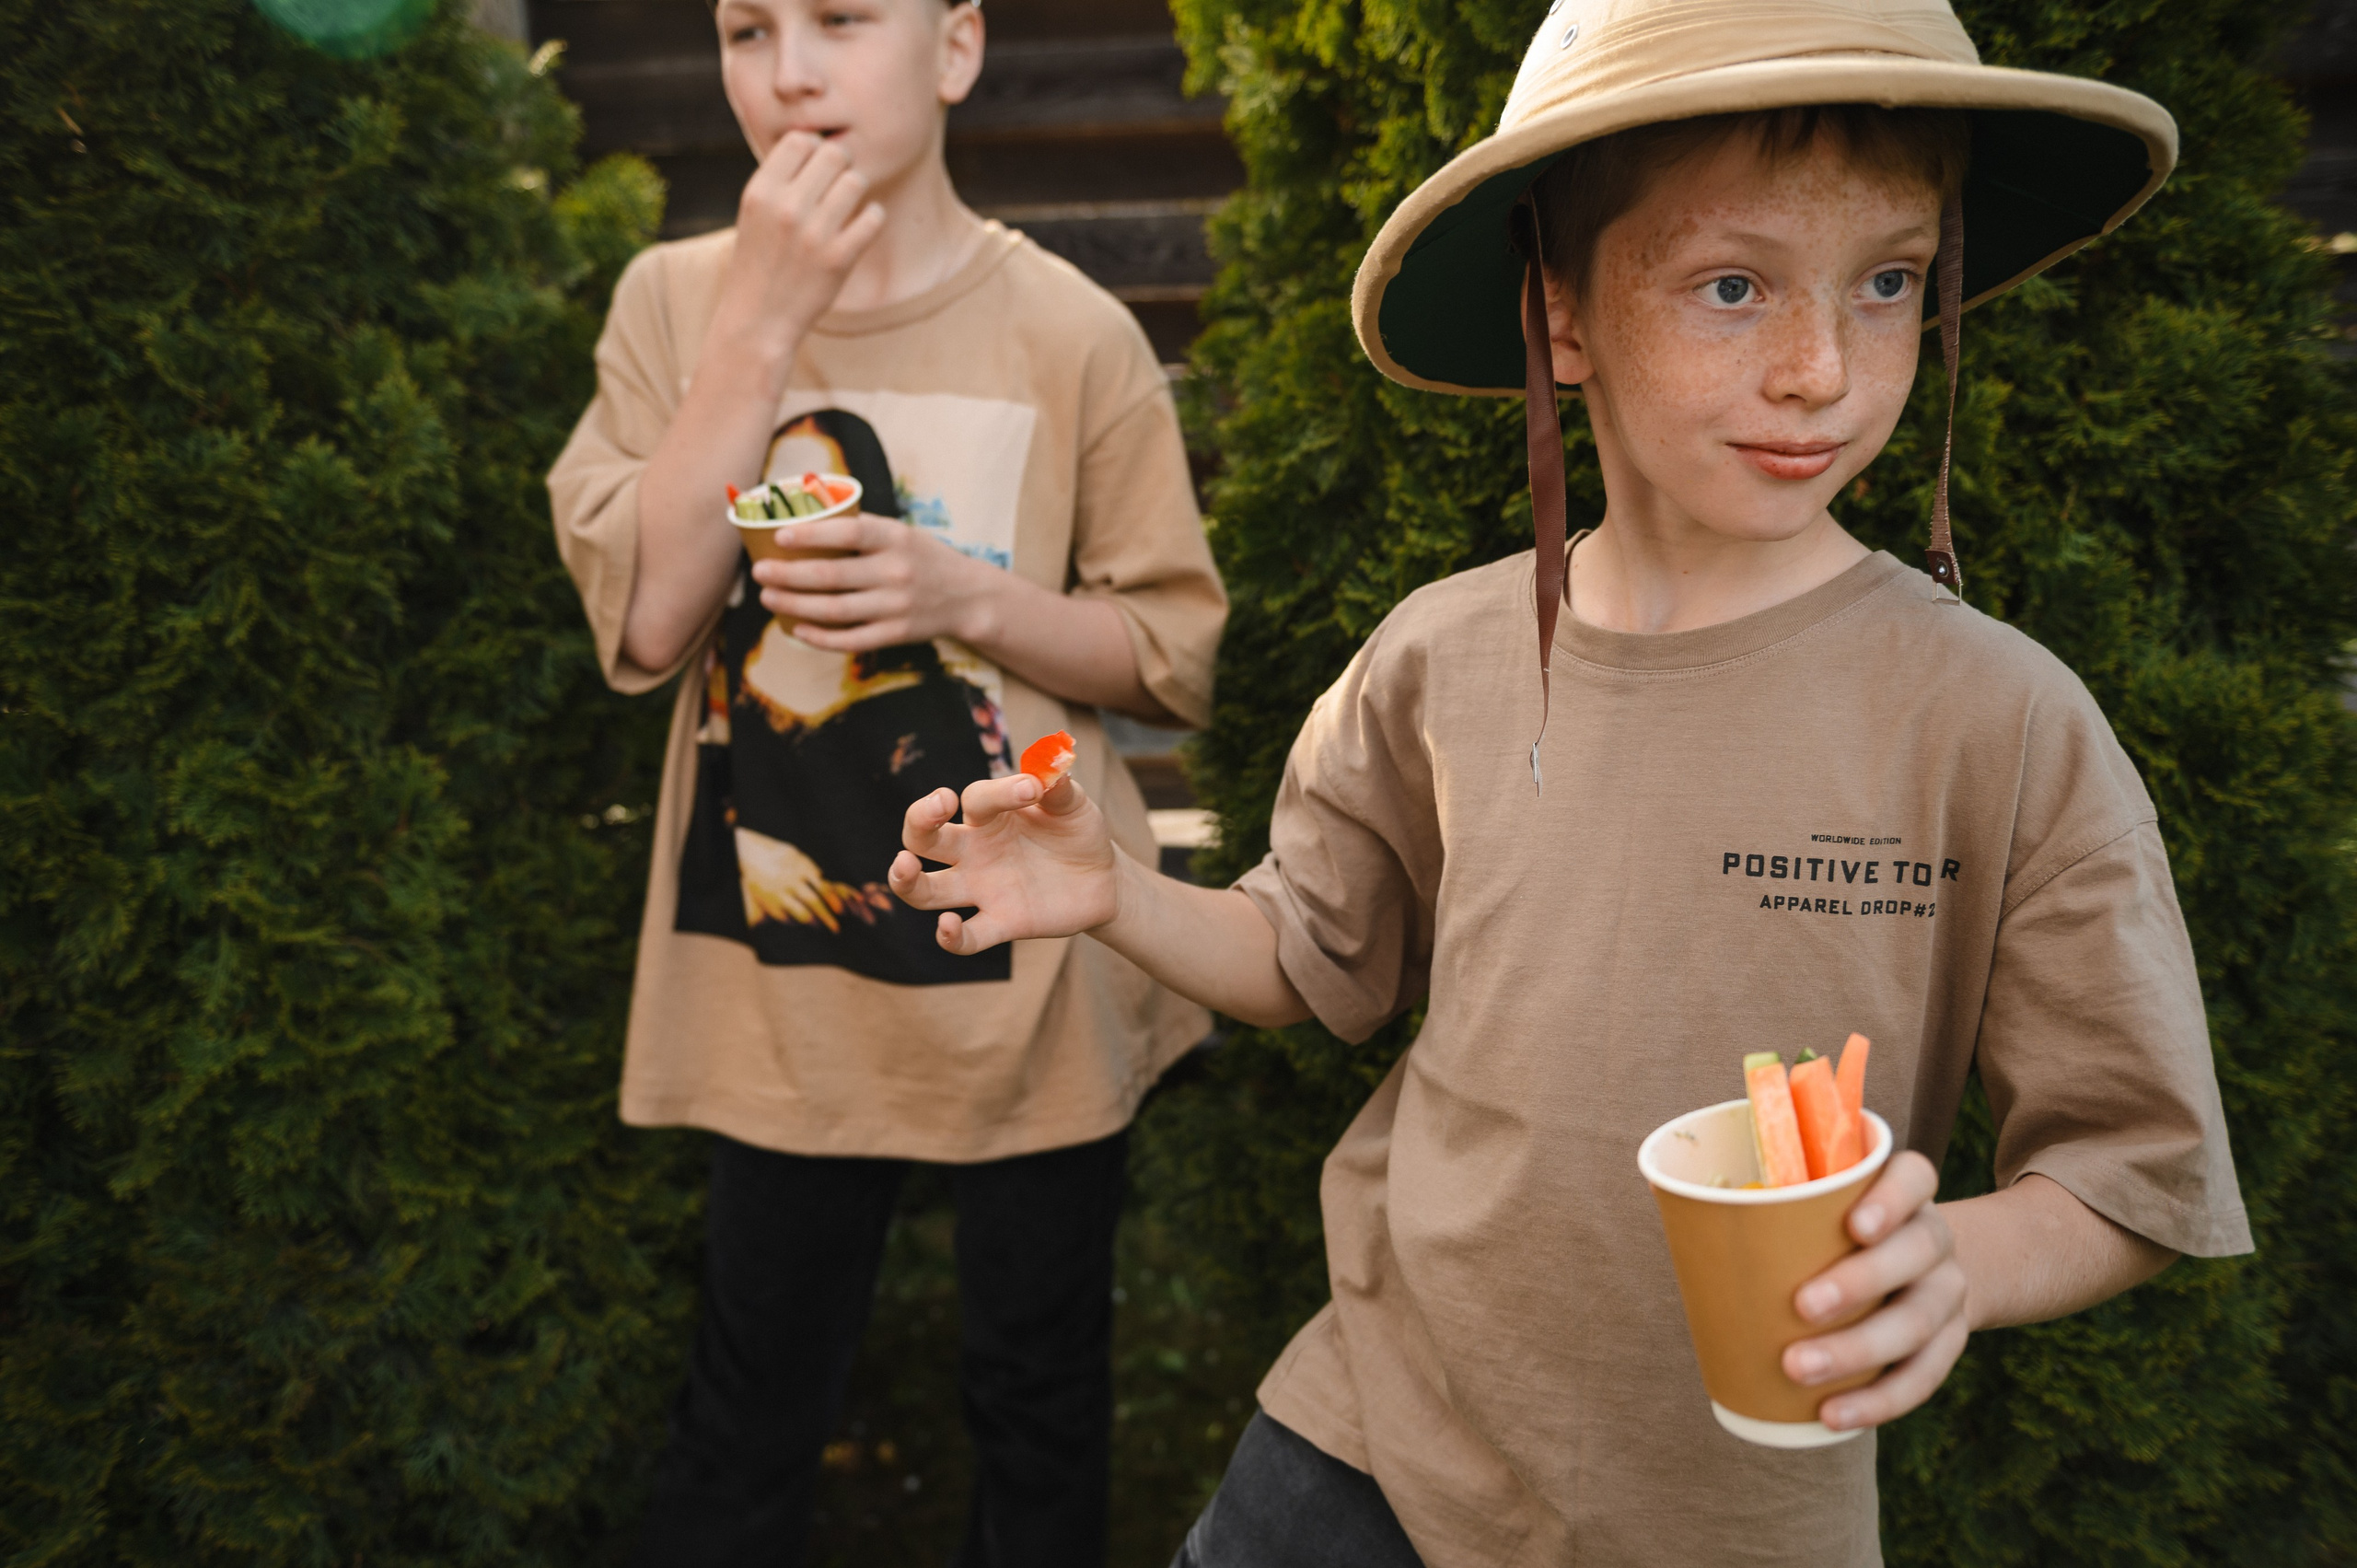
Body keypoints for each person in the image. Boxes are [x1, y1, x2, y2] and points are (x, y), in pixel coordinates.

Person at [887, 1, 2251, 1563]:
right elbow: (1305, 956)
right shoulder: (1438, 658)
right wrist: (1115, 893)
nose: (1822, 368)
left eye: (1887, 285)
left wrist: (1954, 1261)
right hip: (1362, 1455)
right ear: (1562, 316)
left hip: (1738, 1516)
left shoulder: (2000, 720)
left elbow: (2131, 1173)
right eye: (1733, 287)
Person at [545, 0, 1227, 1559]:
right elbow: (647, 625)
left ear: (957, 48)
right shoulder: (674, 307)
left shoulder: (1066, 332)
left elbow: (1171, 651)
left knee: (1039, 1406)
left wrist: (959, 597)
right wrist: (761, 327)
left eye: (843, 18)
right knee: (746, 1418)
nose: (787, 70)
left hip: (1027, 979)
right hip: (781, 982)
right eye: (742, 29)